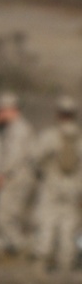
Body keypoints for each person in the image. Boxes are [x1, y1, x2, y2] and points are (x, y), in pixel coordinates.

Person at [31, 96, 82, 273]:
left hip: (51, 187)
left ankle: (42, 261)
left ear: (58, 114)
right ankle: (66, 264)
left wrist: (41, 174)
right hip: (74, 190)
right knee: (69, 225)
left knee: (47, 222)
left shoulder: (50, 136)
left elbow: (35, 158)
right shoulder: (80, 138)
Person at [0, 92, 36, 254]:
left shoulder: (19, 129)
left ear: (11, 109)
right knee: (8, 216)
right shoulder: (13, 128)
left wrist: (1, 174)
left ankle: (19, 248)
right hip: (16, 176)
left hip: (16, 177)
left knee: (6, 216)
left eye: (1, 110)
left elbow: (13, 156)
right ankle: (12, 248)